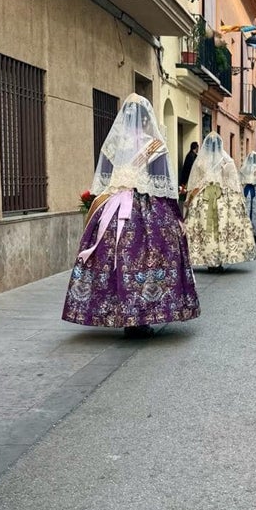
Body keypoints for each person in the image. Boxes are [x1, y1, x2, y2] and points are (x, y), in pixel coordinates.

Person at [63, 94, 200, 332]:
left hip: (114, 207)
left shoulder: (113, 145)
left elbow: (104, 179)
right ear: (148, 118)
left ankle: (115, 312)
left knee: (114, 258)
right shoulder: (154, 145)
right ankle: (144, 314)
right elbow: (162, 184)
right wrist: (175, 215)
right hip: (147, 208)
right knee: (150, 257)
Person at [183, 133, 256, 270]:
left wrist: (189, 199)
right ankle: (221, 257)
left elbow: (194, 182)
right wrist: (239, 200)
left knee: (205, 228)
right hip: (223, 198)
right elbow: (233, 182)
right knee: (223, 227)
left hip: (203, 197)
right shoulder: (227, 161)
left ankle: (208, 258)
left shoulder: (200, 161)